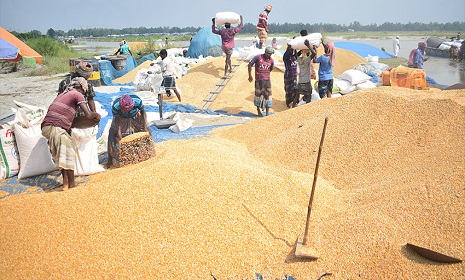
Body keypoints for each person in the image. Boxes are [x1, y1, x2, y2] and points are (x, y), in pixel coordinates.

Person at [41, 77, 101, 190]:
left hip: (46, 127)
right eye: (84, 90)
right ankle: (71, 184)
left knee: (61, 154)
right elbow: (88, 115)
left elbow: (70, 120)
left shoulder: (62, 95)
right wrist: (97, 116)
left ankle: (65, 183)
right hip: (56, 126)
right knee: (68, 153)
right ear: (82, 88)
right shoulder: (77, 94)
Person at [106, 93, 150, 168]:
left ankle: (147, 152)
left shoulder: (137, 101)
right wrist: (119, 133)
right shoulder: (116, 106)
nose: (126, 111)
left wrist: (145, 126)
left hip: (135, 115)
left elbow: (143, 112)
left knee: (146, 134)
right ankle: (110, 158)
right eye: (124, 109)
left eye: (127, 109)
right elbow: (116, 120)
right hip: (121, 117)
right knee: (112, 136)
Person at [248, 46, 275, 116]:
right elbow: (250, 64)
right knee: (258, 95)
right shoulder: (258, 57)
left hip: (267, 81)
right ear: (265, 52)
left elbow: (271, 69)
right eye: (268, 53)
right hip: (259, 80)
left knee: (267, 95)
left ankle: (267, 113)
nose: (269, 55)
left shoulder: (271, 60)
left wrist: (266, 74)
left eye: (271, 54)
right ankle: (258, 110)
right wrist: (250, 76)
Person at [297, 40, 317, 104]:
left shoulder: (299, 59)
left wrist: (301, 50)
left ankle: (293, 106)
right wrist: (308, 45)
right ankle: (307, 108)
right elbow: (314, 53)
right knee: (309, 96)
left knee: (297, 95)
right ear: (308, 54)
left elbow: (296, 54)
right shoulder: (307, 60)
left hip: (300, 81)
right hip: (306, 82)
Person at [282, 43, 298, 108]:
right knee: (288, 90)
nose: (291, 51)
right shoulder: (286, 57)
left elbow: (298, 53)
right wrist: (290, 46)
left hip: (294, 76)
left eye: (292, 50)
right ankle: (288, 103)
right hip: (288, 76)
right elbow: (286, 54)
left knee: (294, 89)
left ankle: (294, 103)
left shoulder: (294, 57)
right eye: (290, 50)